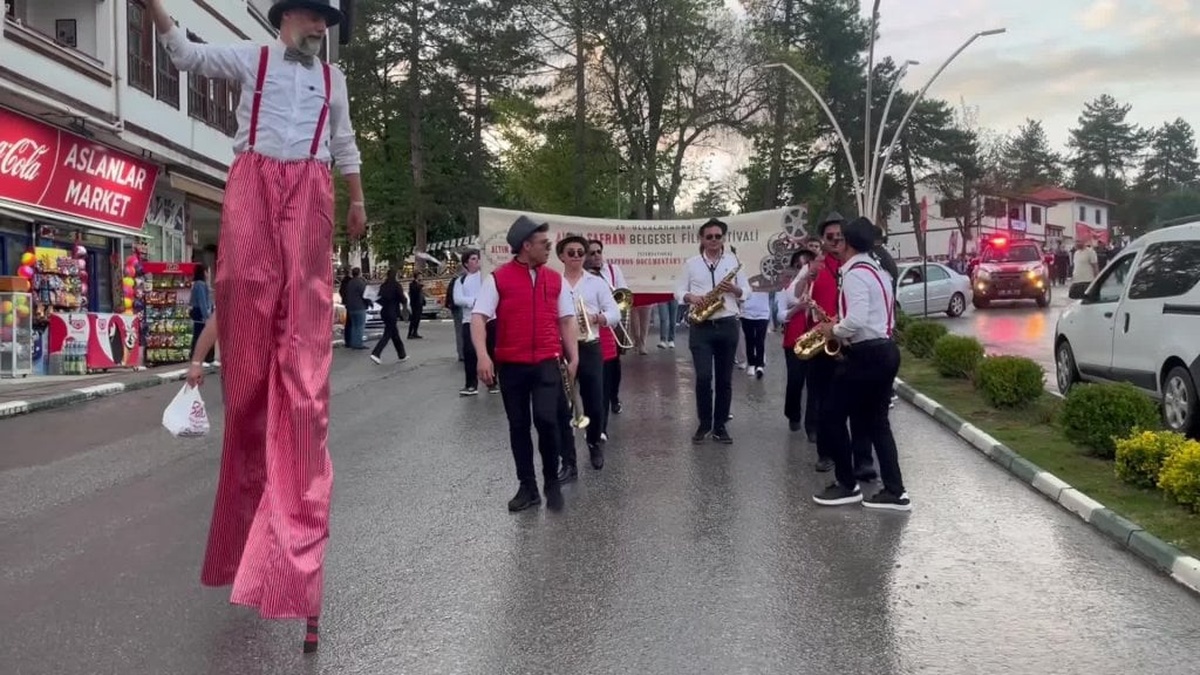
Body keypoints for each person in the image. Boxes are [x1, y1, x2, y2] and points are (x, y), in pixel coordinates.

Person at [148, 0, 364, 653]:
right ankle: (244, 536)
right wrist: (156, 10)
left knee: (301, 384)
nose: (321, 28)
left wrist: (355, 198)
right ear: (287, 18)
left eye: (328, 21)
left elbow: (344, 141)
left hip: (311, 194)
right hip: (253, 185)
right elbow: (186, 55)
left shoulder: (333, 82)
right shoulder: (254, 58)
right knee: (244, 357)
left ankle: (296, 558)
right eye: (313, 18)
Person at [471, 216, 579, 512]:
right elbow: (479, 316)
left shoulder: (555, 279)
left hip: (547, 361)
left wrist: (575, 356)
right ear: (526, 246)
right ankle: (527, 487)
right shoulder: (498, 278)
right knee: (518, 426)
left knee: (546, 419)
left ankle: (551, 482)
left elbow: (567, 319)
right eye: (545, 244)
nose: (549, 248)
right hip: (512, 365)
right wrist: (483, 355)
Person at [812, 217, 910, 511]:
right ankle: (895, 491)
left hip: (866, 354)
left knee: (830, 415)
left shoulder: (855, 274)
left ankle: (847, 485)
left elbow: (856, 320)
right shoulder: (878, 270)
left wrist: (833, 330)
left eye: (840, 240)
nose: (837, 244)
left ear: (848, 243)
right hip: (885, 350)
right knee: (878, 423)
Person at [675, 218, 751, 444]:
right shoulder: (691, 264)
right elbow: (678, 291)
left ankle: (720, 426)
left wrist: (736, 289)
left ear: (723, 238)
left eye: (718, 236)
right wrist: (691, 297)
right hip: (701, 326)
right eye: (709, 237)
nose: (714, 240)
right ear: (702, 239)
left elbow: (747, 291)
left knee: (725, 380)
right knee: (704, 377)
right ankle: (704, 423)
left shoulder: (733, 261)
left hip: (727, 322)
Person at [555, 235, 621, 480]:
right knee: (562, 403)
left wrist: (597, 318)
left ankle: (594, 443)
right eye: (570, 252)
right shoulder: (553, 283)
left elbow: (614, 312)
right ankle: (568, 460)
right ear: (561, 256)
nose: (576, 256)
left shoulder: (596, 283)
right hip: (560, 347)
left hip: (589, 345)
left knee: (594, 399)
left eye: (580, 252)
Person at [586, 240, 627, 415]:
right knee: (597, 365)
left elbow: (624, 293)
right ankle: (598, 402)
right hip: (593, 325)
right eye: (592, 253)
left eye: (598, 252)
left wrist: (612, 303)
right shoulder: (583, 274)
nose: (596, 256)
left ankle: (614, 397)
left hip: (611, 322)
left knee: (614, 365)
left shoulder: (612, 270)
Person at [453, 250, 484, 395]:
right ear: (466, 263)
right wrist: (474, 301)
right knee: (470, 352)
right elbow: (457, 299)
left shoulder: (486, 276)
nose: (477, 260)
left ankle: (493, 382)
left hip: (488, 318)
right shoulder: (461, 280)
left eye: (477, 258)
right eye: (473, 258)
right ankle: (471, 384)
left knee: (491, 349)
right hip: (469, 320)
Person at [369, 268, 408, 364]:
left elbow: (379, 299)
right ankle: (376, 353)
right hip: (392, 312)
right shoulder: (396, 285)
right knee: (388, 334)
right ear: (395, 276)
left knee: (395, 334)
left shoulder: (383, 286)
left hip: (384, 312)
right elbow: (402, 298)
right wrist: (405, 301)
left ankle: (402, 355)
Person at [740, 290, 771, 378]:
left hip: (763, 312)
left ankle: (760, 365)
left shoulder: (765, 277)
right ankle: (751, 363)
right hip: (746, 312)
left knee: (760, 340)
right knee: (749, 340)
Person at [190, 263, 214, 365]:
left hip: (197, 311)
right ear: (204, 272)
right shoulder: (200, 284)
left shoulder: (198, 284)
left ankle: (198, 357)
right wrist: (206, 316)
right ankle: (204, 358)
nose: (208, 274)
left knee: (198, 333)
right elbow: (202, 301)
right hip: (200, 312)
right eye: (207, 272)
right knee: (202, 333)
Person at [341, 267, 368, 349]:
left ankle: (353, 343)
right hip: (359, 306)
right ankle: (358, 344)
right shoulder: (360, 282)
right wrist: (368, 303)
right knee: (360, 325)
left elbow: (343, 292)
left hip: (350, 307)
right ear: (359, 273)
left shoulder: (350, 282)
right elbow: (365, 294)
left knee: (354, 326)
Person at [407, 272, 425, 339]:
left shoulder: (419, 284)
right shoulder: (412, 284)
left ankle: (415, 332)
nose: (421, 277)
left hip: (420, 303)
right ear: (416, 277)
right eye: (420, 276)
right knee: (414, 319)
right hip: (414, 304)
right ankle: (410, 333)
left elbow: (421, 293)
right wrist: (420, 285)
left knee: (418, 319)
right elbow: (415, 290)